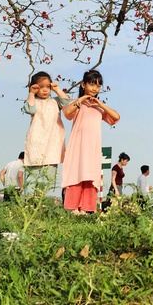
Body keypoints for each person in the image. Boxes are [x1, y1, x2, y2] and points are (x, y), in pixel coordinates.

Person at [61, 70, 120, 214]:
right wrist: (80, 101)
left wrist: (100, 104)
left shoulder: (98, 107)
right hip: (78, 146)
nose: (94, 88)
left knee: (90, 176)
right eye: (92, 84)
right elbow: (67, 113)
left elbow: (116, 117)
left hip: (92, 148)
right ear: (83, 85)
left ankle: (86, 209)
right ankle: (73, 207)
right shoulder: (77, 104)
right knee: (76, 174)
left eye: (98, 86)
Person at [22, 71, 73, 190]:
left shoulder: (55, 101)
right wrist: (31, 93)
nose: (45, 90)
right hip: (36, 143)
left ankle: (41, 203)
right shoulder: (34, 101)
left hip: (52, 144)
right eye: (41, 87)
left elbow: (69, 103)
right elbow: (30, 109)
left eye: (47, 87)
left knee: (46, 182)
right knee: (31, 179)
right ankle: (29, 204)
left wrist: (57, 90)